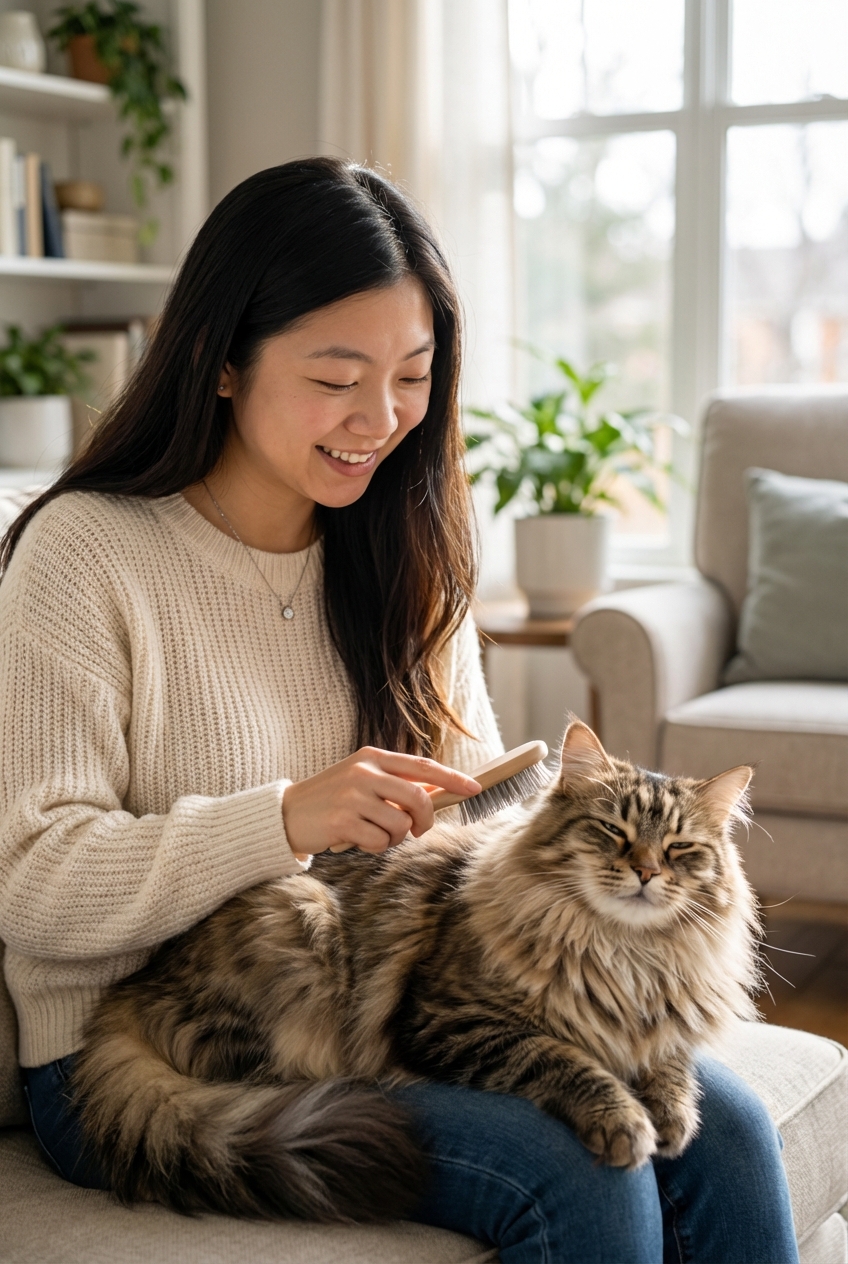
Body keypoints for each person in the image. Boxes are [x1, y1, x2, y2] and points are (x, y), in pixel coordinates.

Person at [0, 158, 799, 1264]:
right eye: (337, 376)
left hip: (379, 997)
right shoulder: (81, 554)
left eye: (413, 375)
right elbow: (32, 885)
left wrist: (513, 816)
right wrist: (282, 820)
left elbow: (462, 837)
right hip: (131, 1049)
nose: (380, 419)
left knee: (732, 1133)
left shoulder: (405, 549)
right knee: (577, 1175)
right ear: (221, 361)